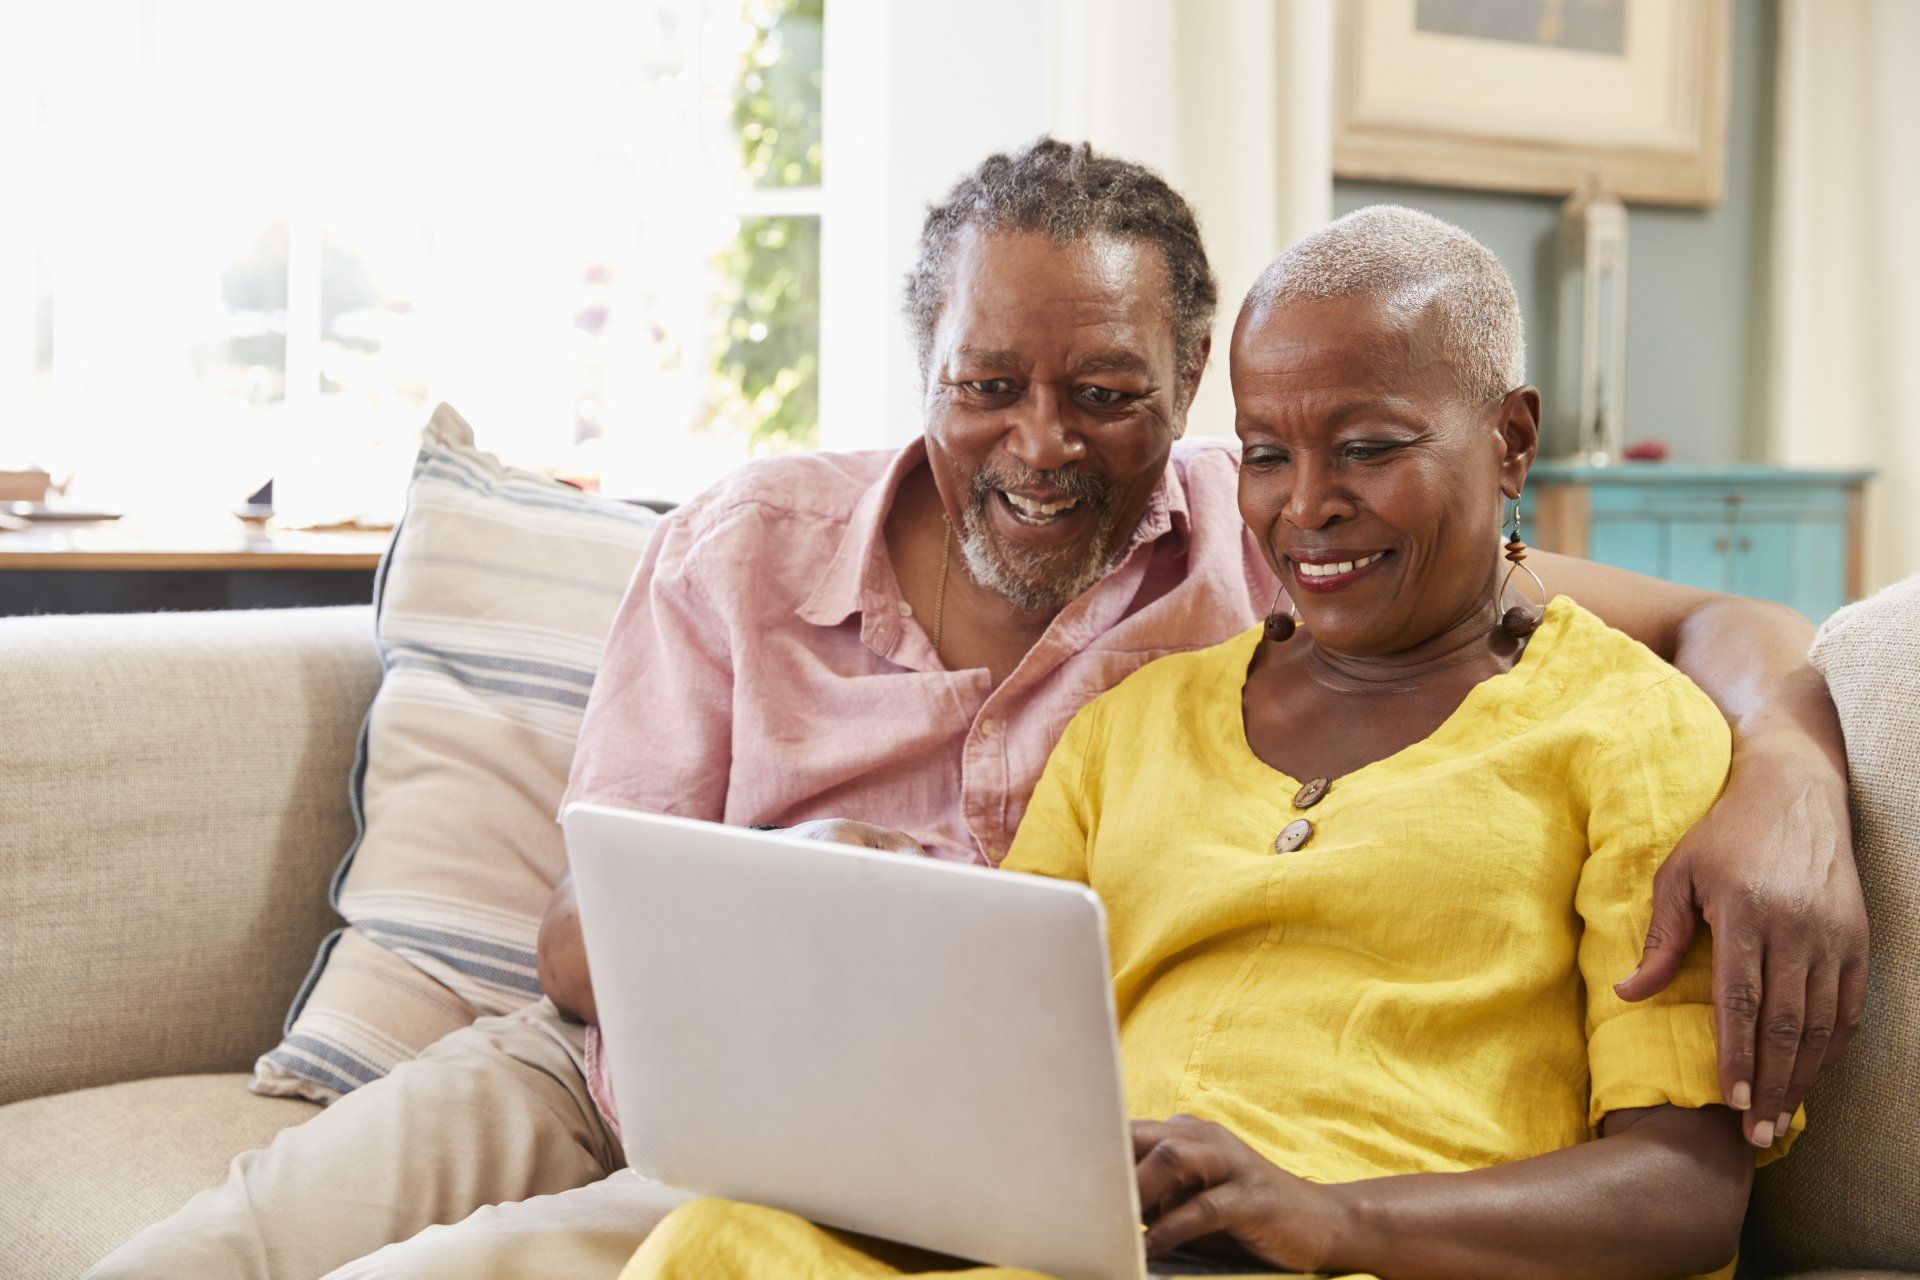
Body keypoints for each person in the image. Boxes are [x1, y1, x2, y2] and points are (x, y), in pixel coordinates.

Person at [89, 141, 1864, 1280]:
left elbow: (1700, 620)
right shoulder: (758, 553)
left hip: (962, 1165)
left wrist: (1786, 754)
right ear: (925, 373)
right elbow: (585, 934)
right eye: (987, 386)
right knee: (247, 1249)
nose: (1039, 443)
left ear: (1173, 400)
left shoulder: (1283, 570)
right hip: (626, 1059)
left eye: (1102, 394)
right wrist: (807, 912)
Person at [619, 205, 1782, 1280]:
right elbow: (995, 1087)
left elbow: (1686, 1191)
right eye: (1267, 454)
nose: (1307, 504)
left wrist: (1333, 1216)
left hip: (1387, 1252)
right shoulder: (1132, 726)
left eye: (1369, 448)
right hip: (1092, 1251)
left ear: (1511, 441)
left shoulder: (1629, 729)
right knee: (717, 1240)